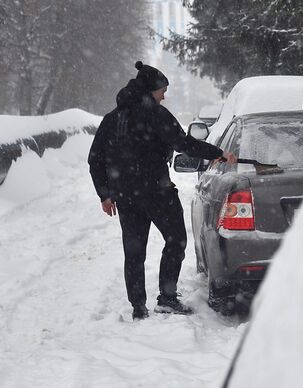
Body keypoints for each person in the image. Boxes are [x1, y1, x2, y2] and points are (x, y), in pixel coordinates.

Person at [88, 61, 235, 320]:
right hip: (157, 192)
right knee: (176, 240)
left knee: (134, 251)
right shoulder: (155, 114)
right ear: (150, 90)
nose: (164, 96)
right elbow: (184, 143)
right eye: (162, 91)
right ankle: (167, 298)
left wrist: (105, 194)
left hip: (125, 196)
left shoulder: (113, 118)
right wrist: (218, 153)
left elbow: (95, 158)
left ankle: (138, 307)